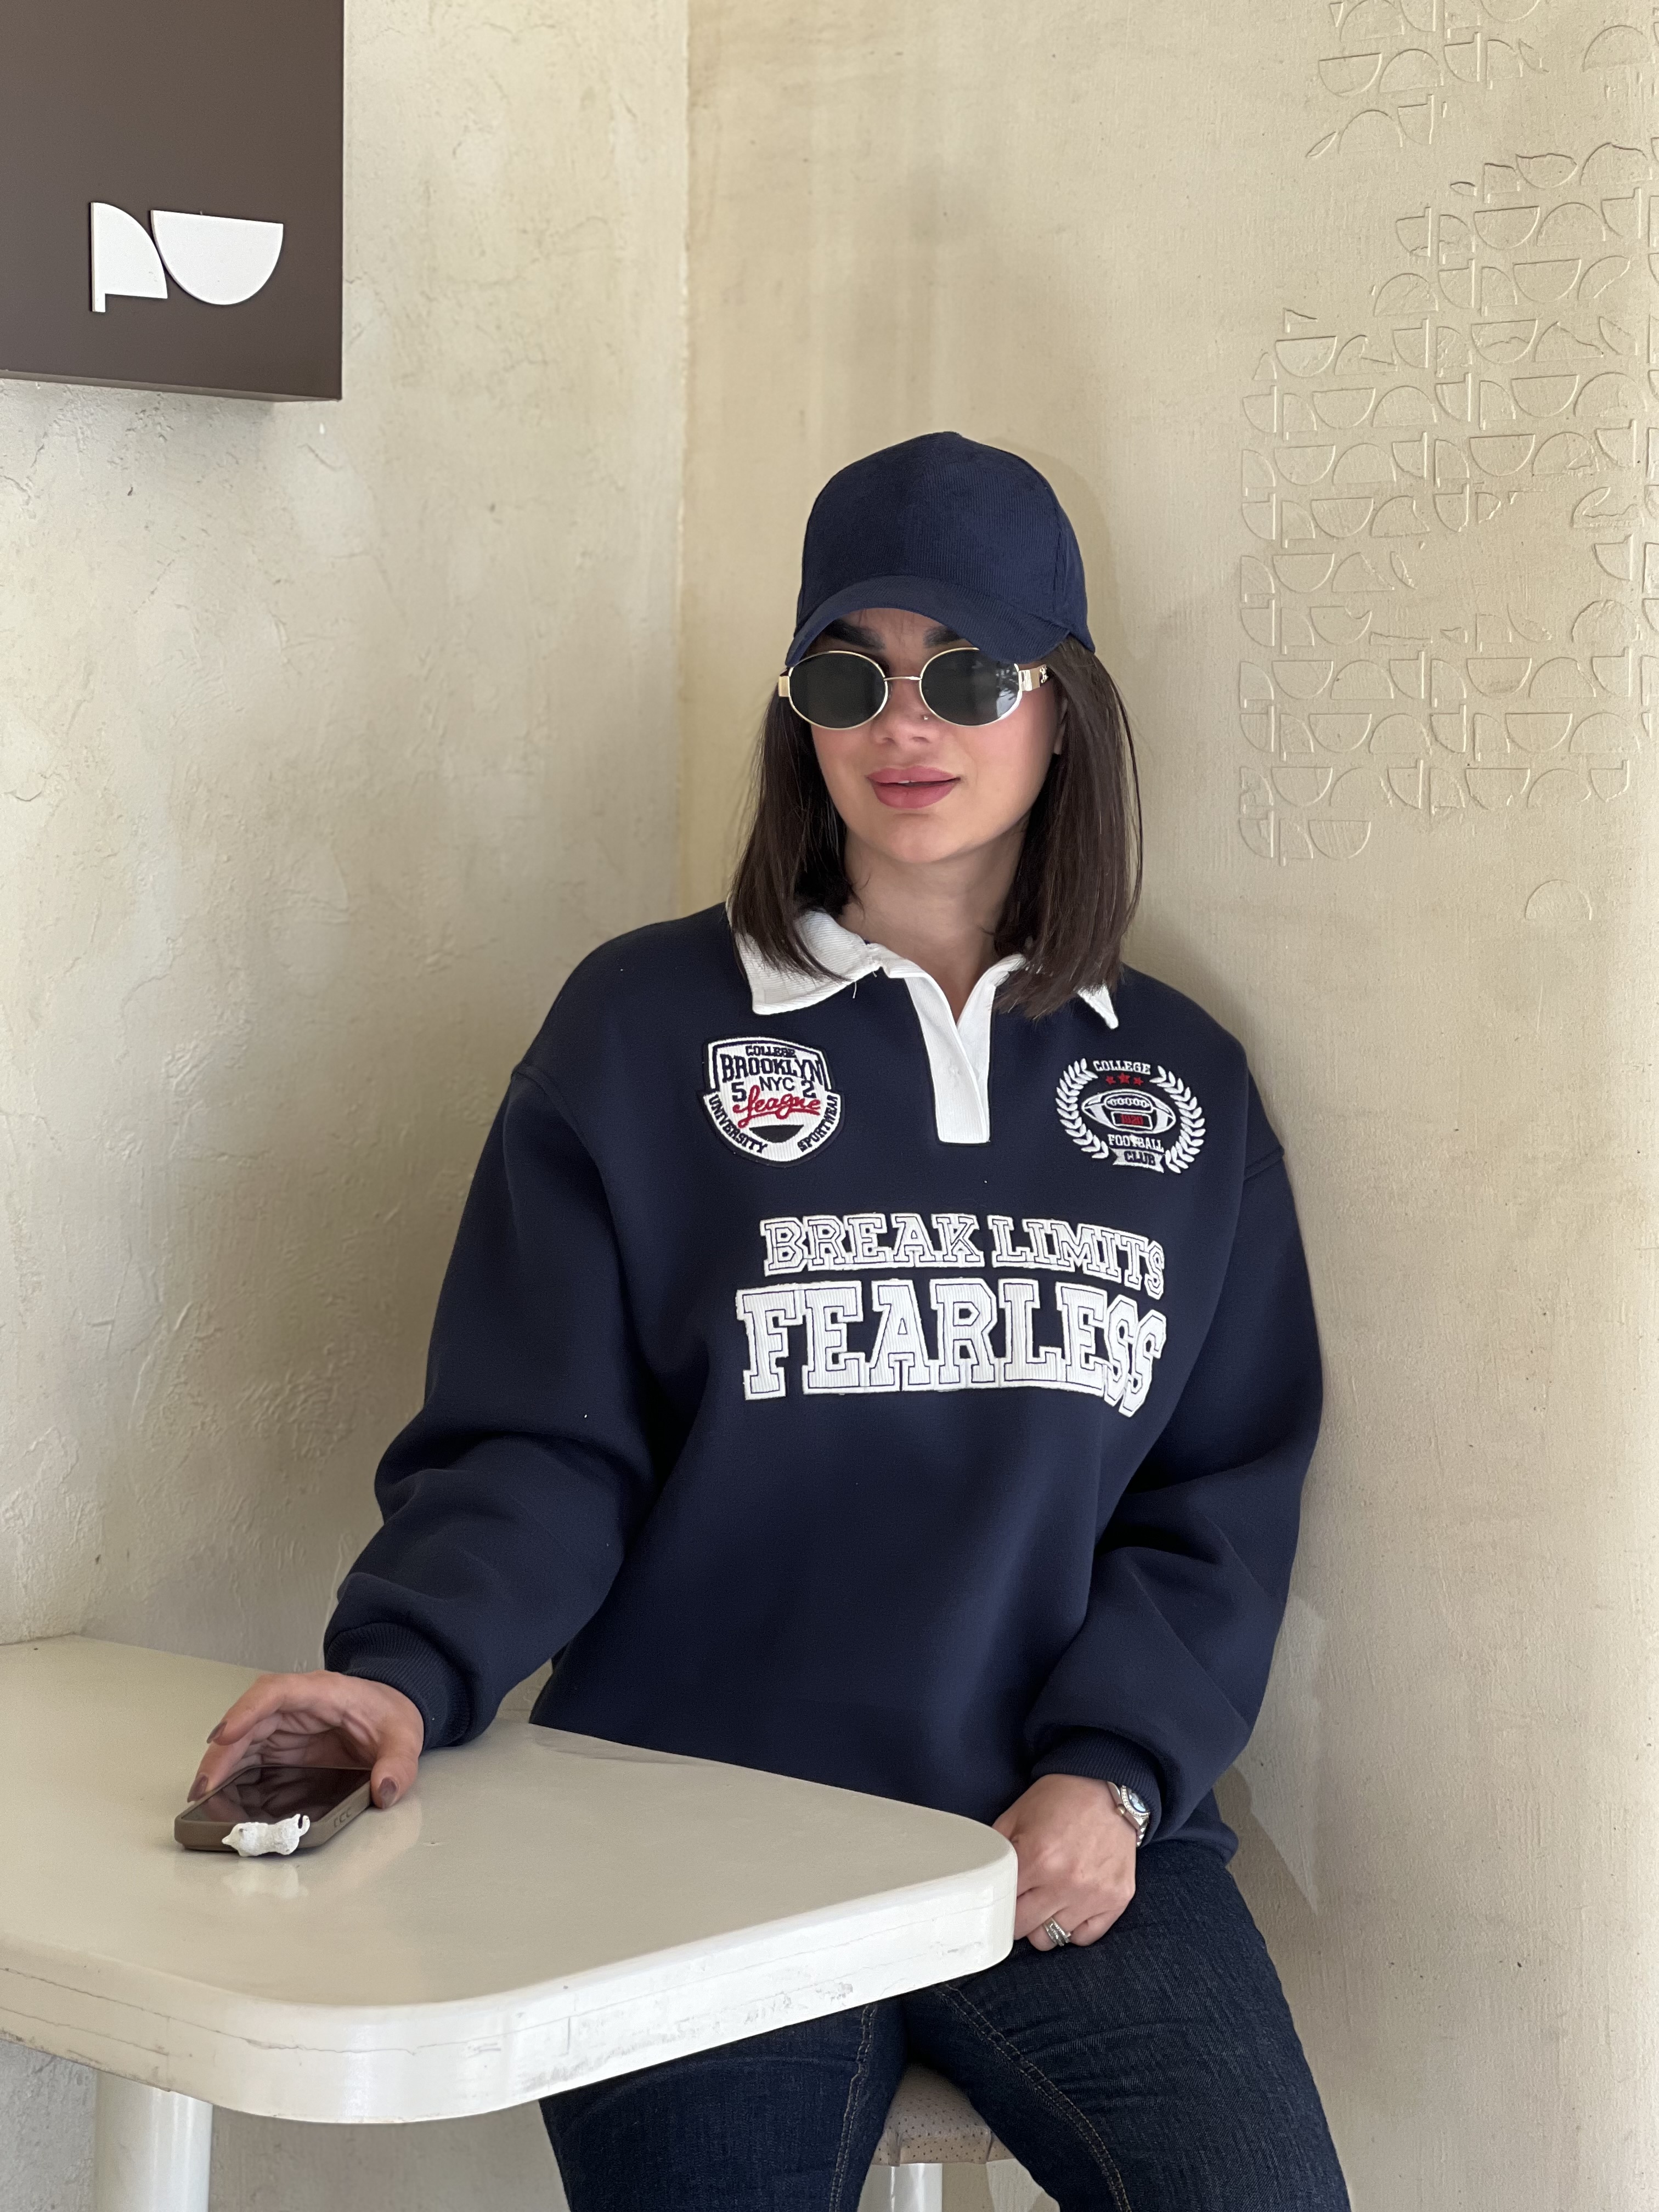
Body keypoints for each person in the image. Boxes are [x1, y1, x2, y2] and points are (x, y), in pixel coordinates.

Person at [194, 432, 1349, 2210]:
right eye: (848, 674)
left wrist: (1116, 1777)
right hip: (689, 1829)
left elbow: (1219, 1494)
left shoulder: (1180, 1086)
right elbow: (542, 1442)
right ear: (797, 715)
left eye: (969, 671)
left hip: (1049, 1827)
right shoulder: (641, 1031)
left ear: (1064, 712)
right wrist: (402, 1672)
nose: (908, 724)